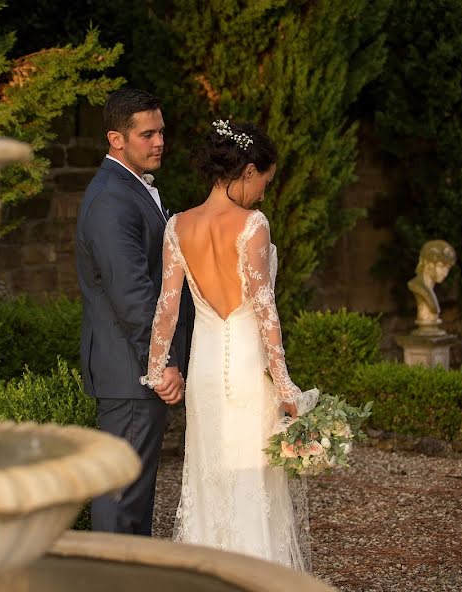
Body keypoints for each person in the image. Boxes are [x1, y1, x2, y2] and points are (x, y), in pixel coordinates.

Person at [140, 120, 312, 570]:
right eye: (264, 182)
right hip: (246, 368)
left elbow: (167, 307)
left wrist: (158, 368)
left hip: (205, 368)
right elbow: (264, 310)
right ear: (248, 170)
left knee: (209, 475)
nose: (262, 193)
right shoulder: (252, 224)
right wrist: (286, 383)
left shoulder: (177, 226)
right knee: (251, 477)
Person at [76, 88, 192, 536]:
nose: (159, 141)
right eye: (147, 134)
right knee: (121, 497)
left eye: (161, 131)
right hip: (131, 370)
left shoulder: (129, 189)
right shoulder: (111, 199)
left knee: (134, 496)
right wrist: (161, 364)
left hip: (131, 368)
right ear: (116, 138)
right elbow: (133, 294)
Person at [407, 240, 456, 331]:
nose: (445, 273)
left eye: (448, 268)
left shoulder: (430, 290)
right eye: (441, 266)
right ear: (427, 263)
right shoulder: (417, 286)